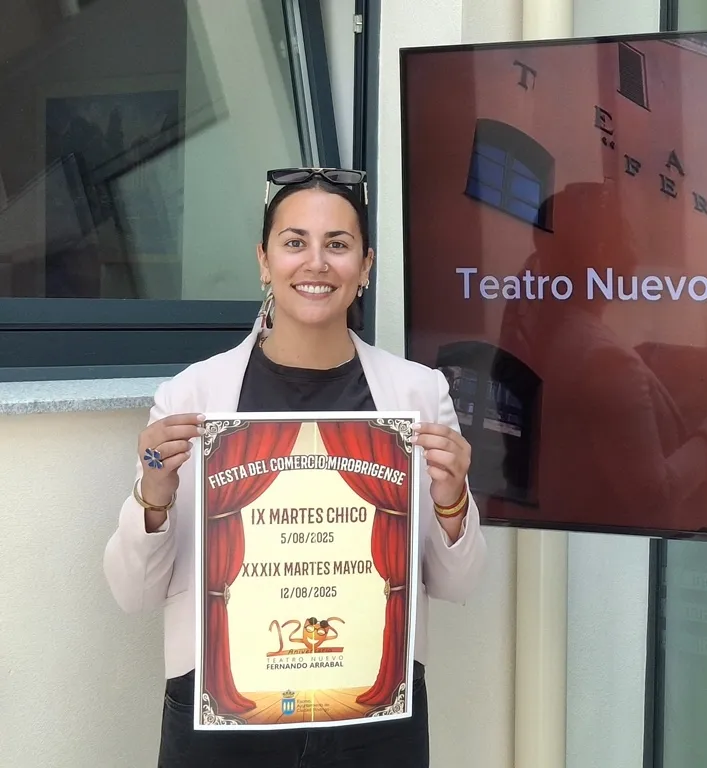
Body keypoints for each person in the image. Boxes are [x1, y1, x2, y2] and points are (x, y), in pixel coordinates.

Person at [102, 167, 488, 767]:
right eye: (294, 242)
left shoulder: (418, 395)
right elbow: (133, 593)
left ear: (365, 266)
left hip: (372, 720)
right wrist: (153, 492)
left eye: (338, 244)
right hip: (222, 719)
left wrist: (452, 500)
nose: (316, 262)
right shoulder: (191, 397)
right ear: (264, 260)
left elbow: (457, 584)